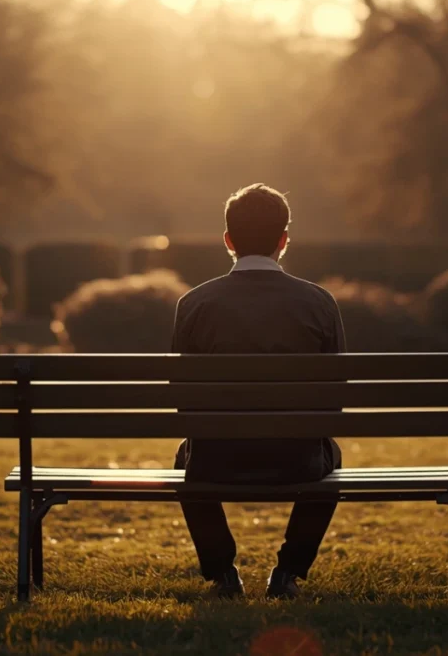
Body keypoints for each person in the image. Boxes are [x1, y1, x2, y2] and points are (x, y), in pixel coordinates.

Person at [171, 183, 346, 599]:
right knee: (332, 456)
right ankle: (288, 572)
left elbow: (182, 398)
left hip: (215, 462)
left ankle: (222, 573)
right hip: (297, 461)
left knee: (185, 455)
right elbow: (335, 397)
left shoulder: (194, 304)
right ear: (284, 241)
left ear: (228, 240)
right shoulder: (319, 303)